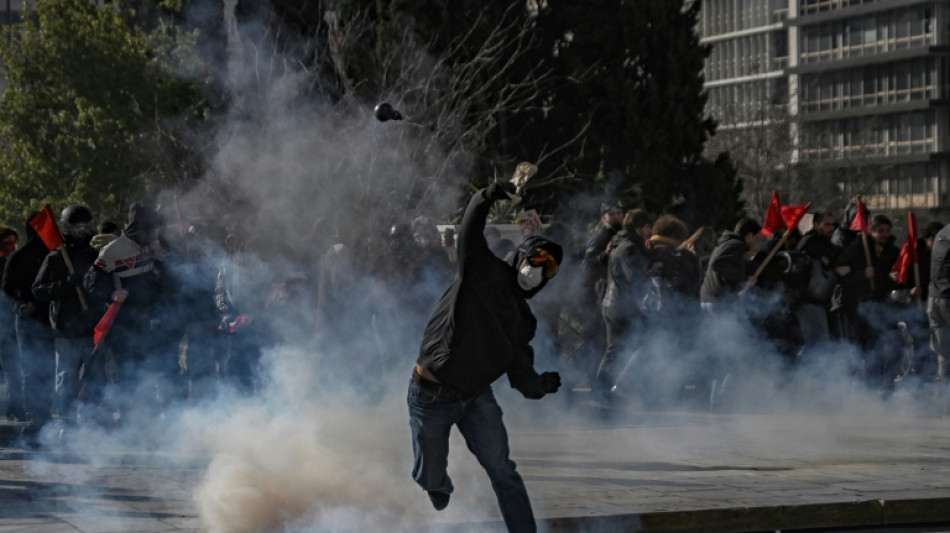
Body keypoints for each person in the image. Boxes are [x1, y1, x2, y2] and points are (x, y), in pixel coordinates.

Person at [410, 182, 563, 532]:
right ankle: (437, 484)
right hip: (431, 393)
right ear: (523, 255)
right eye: (538, 259)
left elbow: (520, 373)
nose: (538, 270)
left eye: (549, 269)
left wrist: (539, 385)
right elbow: (469, 230)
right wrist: (486, 197)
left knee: (503, 471)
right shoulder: (479, 268)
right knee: (430, 476)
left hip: (476, 397)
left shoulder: (523, 321)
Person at [31, 205, 99, 427]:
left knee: (93, 379)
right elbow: (38, 289)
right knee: (66, 379)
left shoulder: (95, 256)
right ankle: (66, 424)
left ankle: (91, 422)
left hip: (91, 327)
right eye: (77, 228)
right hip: (65, 329)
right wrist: (65, 285)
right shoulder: (56, 258)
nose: (82, 233)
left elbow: (106, 287)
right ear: (67, 229)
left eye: (85, 227)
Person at [2, 212, 56, 439]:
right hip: (36, 319)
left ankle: (37, 414)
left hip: (35, 319)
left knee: (32, 369)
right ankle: (39, 413)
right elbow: (7, 289)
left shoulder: (45, 256)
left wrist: (22, 304)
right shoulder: (50, 256)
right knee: (41, 368)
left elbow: (7, 288)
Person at [594, 209, 655, 407]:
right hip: (623, 306)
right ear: (640, 228)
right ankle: (624, 384)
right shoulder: (629, 248)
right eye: (648, 227)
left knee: (613, 351)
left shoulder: (620, 243)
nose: (650, 230)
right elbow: (635, 278)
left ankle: (602, 395)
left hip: (612, 303)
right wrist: (651, 273)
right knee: (647, 341)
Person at [0, 227, 20, 420]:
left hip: (11, 325)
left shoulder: (18, 262)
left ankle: (14, 406)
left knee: (13, 368)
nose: (11, 246)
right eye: (6, 242)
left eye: (13, 241)